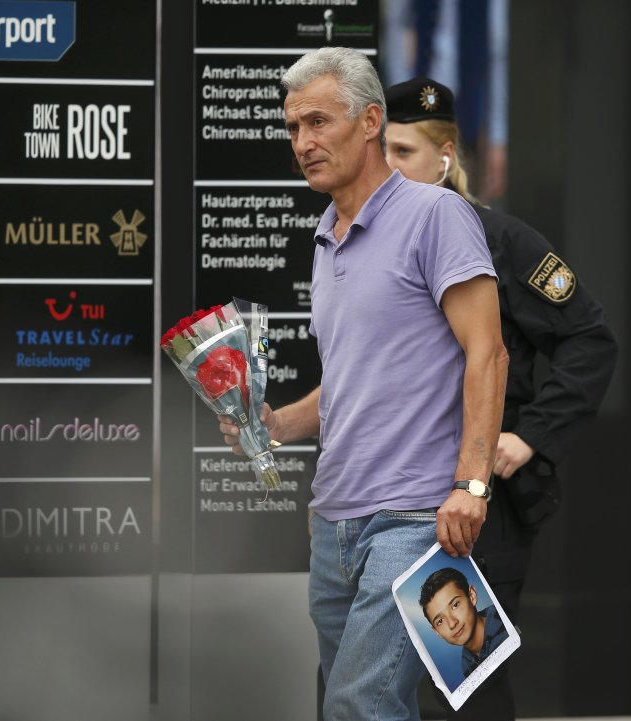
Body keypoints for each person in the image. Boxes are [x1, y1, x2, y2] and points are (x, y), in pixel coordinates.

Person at [219, 48, 508, 720]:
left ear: (371, 120)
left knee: (359, 705)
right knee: (354, 706)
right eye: (292, 128)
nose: (303, 142)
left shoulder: (435, 215)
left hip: (415, 519)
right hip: (333, 523)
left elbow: (488, 353)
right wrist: (275, 425)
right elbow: (356, 377)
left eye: (318, 121)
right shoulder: (327, 236)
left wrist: (470, 484)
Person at [383, 76, 618, 720]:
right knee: (376, 676)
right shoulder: (378, 245)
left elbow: (590, 339)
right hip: (396, 495)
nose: (390, 167)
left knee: (461, 683)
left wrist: (532, 433)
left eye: (404, 152)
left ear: (445, 155)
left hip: (479, 505)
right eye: (383, 152)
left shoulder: (501, 242)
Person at [419, 567, 509, 678]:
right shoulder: (466, 664)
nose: (452, 624)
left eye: (455, 605)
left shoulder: (506, 625)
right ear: (437, 632)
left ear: (472, 596)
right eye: (440, 621)